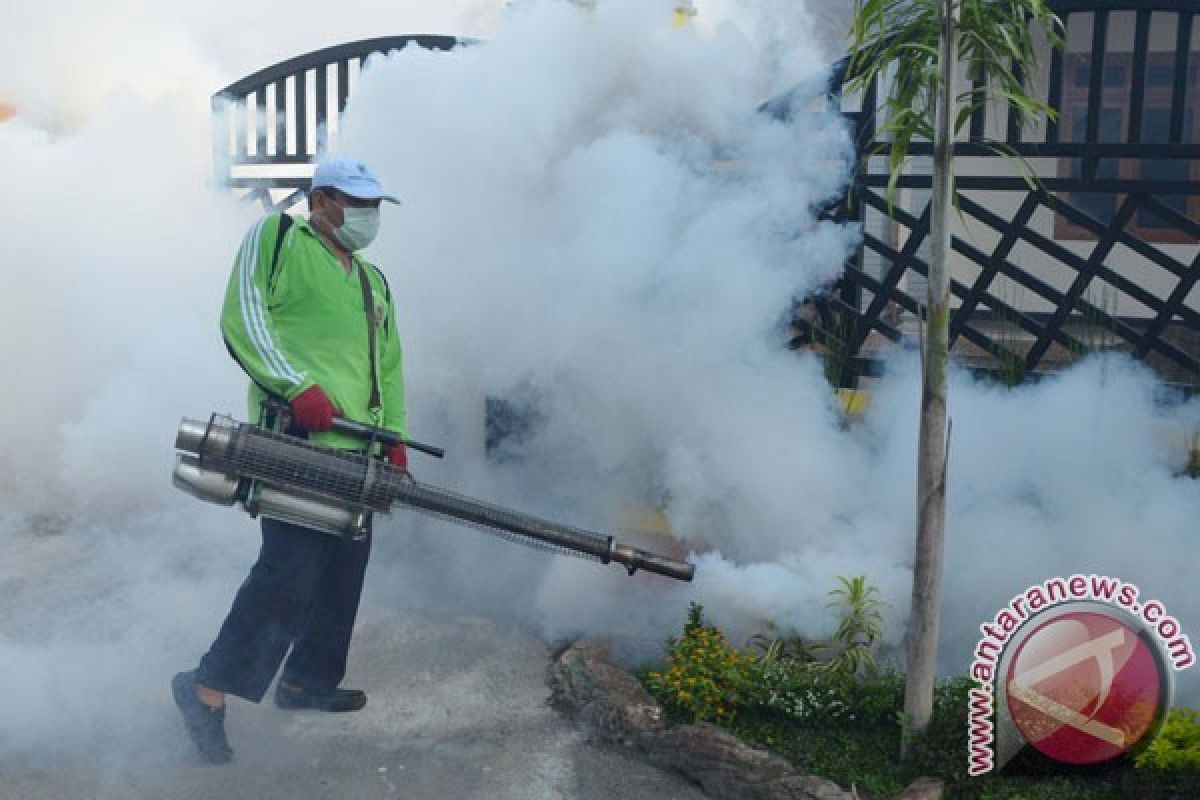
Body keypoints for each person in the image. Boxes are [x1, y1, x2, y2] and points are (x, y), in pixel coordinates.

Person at [172, 156, 409, 764]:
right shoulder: (277, 237)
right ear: (323, 199)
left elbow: (388, 365)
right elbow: (243, 318)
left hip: (361, 451)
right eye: (359, 203)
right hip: (296, 441)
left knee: (342, 575)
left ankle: (307, 681)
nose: (369, 216)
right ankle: (205, 687)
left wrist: (396, 433)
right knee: (289, 574)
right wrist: (294, 384)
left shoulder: (371, 278)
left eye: (376, 205)